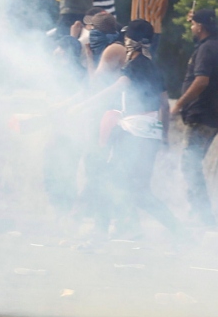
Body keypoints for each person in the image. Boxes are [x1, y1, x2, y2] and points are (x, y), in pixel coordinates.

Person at [70, 20, 178, 236]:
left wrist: (82, 106)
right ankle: (181, 233)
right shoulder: (155, 68)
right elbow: (165, 106)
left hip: (132, 134)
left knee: (105, 181)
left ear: (131, 41)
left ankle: (99, 233)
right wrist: (164, 137)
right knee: (140, 191)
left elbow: (115, 88)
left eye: (127, 37)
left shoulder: (131, 67)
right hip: (151, 134)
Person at [174, 8, 218, 227]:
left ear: (200, 27)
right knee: (191, 163)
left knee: (189, 165)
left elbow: (201, 81)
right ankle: (198, 214)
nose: (191, 27)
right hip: (209, 115)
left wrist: (179, 104)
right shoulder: (213, 45)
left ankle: (203, 218)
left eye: (193, 24)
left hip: (201, 115)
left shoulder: (207, 48)